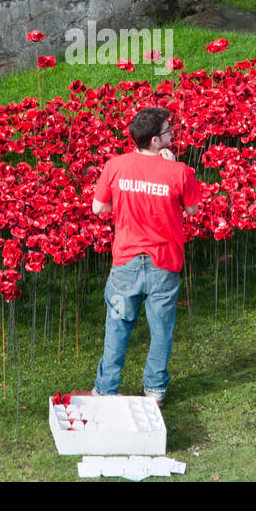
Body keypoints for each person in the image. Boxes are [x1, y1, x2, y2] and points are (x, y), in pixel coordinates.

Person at [91, 106, 201, 404]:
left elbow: (98, 208)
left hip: (125, 261)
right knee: (161, 330)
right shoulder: (179, 172)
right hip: (164, 263)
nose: (171, 133)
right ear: (155, 140)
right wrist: (175, 166)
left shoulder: (115, 165)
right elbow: (191, 209)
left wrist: (126, 206)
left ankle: (105, 389)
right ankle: (154, 391)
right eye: (168, 130)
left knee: (117, 327)